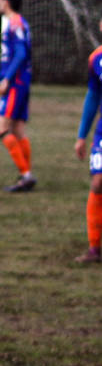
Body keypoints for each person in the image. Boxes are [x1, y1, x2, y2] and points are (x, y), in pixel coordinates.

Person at [0, 0, 34, 192]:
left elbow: (21, 54)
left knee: (1, 129)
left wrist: (6, 80)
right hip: (21, 82)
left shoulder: (14, 23)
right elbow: (12, 57)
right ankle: (26, 175)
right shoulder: (18, 22)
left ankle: (26, 175)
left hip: (16, 84)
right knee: (18, 131)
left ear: (6, 2)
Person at [74, 18, 102, 264]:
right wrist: (82, 135)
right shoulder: (96, 59)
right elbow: (93, 96)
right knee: (98, 183)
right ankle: (95, 248)